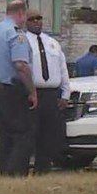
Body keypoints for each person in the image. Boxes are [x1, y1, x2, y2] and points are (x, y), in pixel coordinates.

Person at [0, 1, 37, 177]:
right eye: (25, 16)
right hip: (12, 89)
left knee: (5, 134)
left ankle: (4, 171)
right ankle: (16, 173)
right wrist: (32, 91)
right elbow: (21, 65)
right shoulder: (16, 34)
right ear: (21, 13)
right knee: (23, 134)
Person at [24, 9, 71, 174]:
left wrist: (65, 94)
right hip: (33, 93)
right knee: (31, 132)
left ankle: (43, 168)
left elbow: (62, 69)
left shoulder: (52, 43)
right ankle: (25, 167)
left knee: (49, 133)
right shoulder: (22, 41)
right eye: (32, 19)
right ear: (26, 21)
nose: (37, 22)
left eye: (39, 18)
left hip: (51, 93)